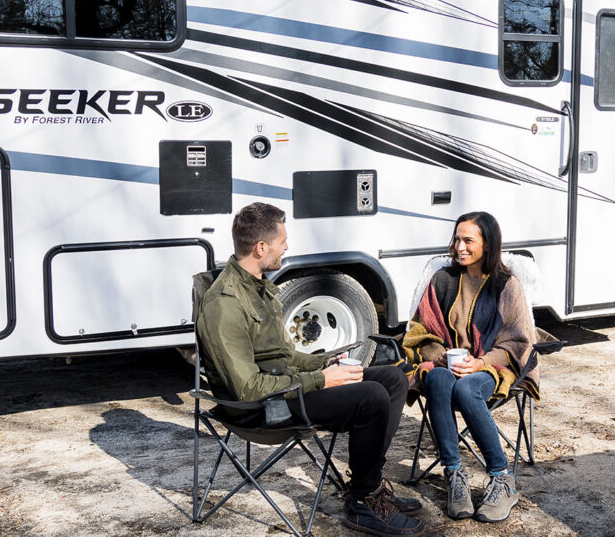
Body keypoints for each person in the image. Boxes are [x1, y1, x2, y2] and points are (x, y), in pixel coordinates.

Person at [196, 202, 425, 537]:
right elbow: (248, 389)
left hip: (284, 390)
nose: (286, 247)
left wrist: (323, 364)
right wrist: (320, 380)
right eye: (281, 241)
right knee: (371, 397)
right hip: (260, 410)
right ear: (261, 247)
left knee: (390, 378)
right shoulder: (225, 303)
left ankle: (368, 487)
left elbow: (283, 356)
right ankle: (363, 503)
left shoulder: (259, 286)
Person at [402, 211, 538, 523]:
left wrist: (481, 362)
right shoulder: (443, 280)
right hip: (447, 363)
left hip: (495, 366)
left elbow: (517, 341)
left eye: (468, 241)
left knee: (465, 387)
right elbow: (421, 330)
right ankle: (454, 474)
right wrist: (443, 357)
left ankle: (502, 479)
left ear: (488, 245)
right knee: (436, 380)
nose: (459, 247)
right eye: (456, 239)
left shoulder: (506, 285)